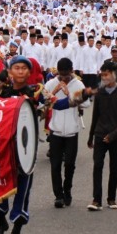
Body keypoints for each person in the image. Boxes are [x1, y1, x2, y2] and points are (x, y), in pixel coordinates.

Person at [0, 55, 46, 234]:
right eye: (16, 68)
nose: (21, 71)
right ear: (10, 71)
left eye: (25, 68)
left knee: (22, 191)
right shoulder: (1, 90)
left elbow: (55, 104)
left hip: (26, 147)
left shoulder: (35, 91)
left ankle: (17, 230)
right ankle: (0, 220)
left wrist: (81, 97)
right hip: (2, 145)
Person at [44, 57, 90, 208]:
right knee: (55, 165)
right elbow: (41, 103)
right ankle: (58, 195)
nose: (63, 78)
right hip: (55, 130)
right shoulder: (51, 83)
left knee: (69, 164)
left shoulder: (78, 83)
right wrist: (53, 93)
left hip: (72, 131)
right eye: (61, 75)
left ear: (71, 71)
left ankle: (67, 189)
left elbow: (87, 103)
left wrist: (69, 93)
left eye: (66, 75)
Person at [87, 61, 117, 211]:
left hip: (116, 137)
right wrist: (91, 136)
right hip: (100, 135)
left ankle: (111, 198)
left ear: (114, 75)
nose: (104, 77)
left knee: (114, 168)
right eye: (102, 74)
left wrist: (112, 135)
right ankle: (96, 200)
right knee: (97, 166)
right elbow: (95, 116)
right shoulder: (100, 93)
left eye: (106, 74)